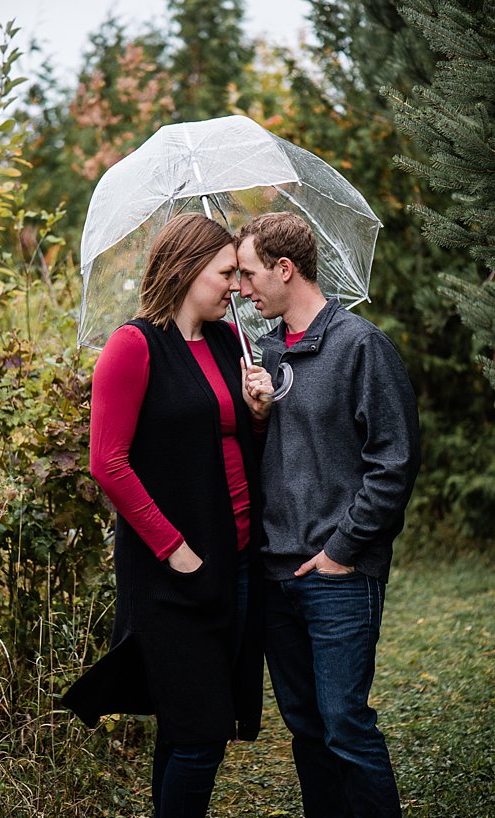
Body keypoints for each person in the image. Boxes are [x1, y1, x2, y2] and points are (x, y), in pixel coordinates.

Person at [63, 213, 275, 818]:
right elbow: (109, 463)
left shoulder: (230, 342)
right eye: (226, 273)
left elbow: (234, 443)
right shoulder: (134, 346)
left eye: (239, 273)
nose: (236, 287)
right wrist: (173, 548)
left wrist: (258, 413)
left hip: (234, 559)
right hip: (173, 574)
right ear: (186, 271)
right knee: (203, 732)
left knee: (188, 725)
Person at [236, 212, 421, 818]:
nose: (241, 288)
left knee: (345, 723)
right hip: (278, 573)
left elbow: (393, 463)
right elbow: (275, 465)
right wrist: (259, 416)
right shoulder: (265, 354)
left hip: (337, 573)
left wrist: (343, 551)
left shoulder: (360, 347)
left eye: (249, 273)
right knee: (307, 728)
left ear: (285, 269)